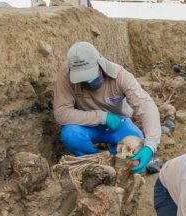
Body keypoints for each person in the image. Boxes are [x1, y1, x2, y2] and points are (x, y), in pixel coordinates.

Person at [53, 41, 160, 174]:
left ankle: (113, 157)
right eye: (82, 79)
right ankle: (95, 161)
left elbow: (146, 105)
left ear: (100, 64)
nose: (87, 82)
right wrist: (102, 117)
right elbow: (61, 113)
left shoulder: (120, 76)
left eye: (90, 77)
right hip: (85, 125)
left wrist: (150, 145)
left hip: (118, 125)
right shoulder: (66, 72)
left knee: (135, 145)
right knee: (70, 135)